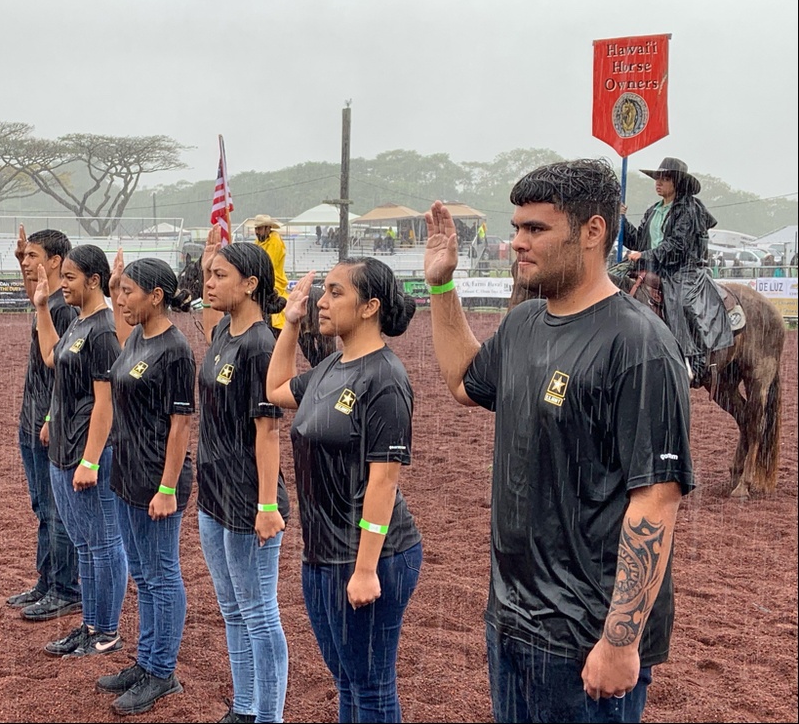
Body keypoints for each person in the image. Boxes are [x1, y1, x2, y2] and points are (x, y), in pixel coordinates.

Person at [425, 159, 695, 724]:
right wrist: (442, 285)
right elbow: (462, 382)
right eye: (517, 227)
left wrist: (620, 642)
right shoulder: (524, 324)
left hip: (584, 640)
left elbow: (656, 500)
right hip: (510, 621)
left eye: (536, 229)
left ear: (593, 232)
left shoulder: (640, 344)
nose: (517, 242)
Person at [266, 260, 423, 723]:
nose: (322, 301)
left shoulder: (386, 378)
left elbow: (384, 479)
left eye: (335, 292)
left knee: (371, 688)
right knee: (346, 679)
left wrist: (366, 569)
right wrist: (290, 324)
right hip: (322, 553)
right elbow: (275, 388)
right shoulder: (331, 365)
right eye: (323, 292)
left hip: (371, 557)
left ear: (370, 306)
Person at [196, 225, 290, 724]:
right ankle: (246, 706)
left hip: (249, 498)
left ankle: (268, 715)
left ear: (251, 283)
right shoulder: (218, 333)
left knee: (259, 612)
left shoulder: (260, 345)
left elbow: (268, 432)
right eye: (206, 274)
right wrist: (215, 249)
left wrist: (267, 504)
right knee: (232, 609)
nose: (209, 283)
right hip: (212, 493)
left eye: (219, 274)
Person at [96, 252, 195, 716]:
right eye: (119, 291)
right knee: (143, 575)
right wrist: (116, 284)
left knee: (161, 575)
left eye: (128, 291)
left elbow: (180, 426)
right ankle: (147, 660)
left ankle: (163, 672)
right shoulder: (136, 334)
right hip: (127, 473)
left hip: (158, 478)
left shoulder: (175, 349)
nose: (120, 298)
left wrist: (169, 488)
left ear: (156, 296)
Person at [33, 244, 127, 659]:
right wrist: (40, 308)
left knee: (105, 543)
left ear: (94, 281)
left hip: (91, 455)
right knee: (86, 544)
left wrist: (90, 459)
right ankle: (90, 624)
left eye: (70, 277)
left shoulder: (104, 329)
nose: (63, 284)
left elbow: (106, 403)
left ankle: (106, 631)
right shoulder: (77, 321)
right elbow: (52, 358)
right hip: (65, 450)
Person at [5, 225, 81, 622]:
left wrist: (52, 415)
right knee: (42, 506)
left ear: (55, 261)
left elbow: (64, 371)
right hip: (30, 416)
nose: (27, 262)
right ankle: (47, 580)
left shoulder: (64, 309)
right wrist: (22, 265)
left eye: (33, 256)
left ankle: (66, 588)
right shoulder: (45, 301)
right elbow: (33, 291)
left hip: (49, 420)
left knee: (56, 510)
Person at [621, 157, 733, 386]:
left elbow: (677, 246)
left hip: (683, 269)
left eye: (665, 178)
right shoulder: (654, 210)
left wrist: (644, 256)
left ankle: (693, 359)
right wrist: (620, 219)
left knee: (679, 300)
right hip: (655, 266)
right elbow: (639, 240)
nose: (658, 182)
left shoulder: (690, 209)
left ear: (677, 182)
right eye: (657, 178)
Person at [252, 214, 290, 335]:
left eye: (260, 228)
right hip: (259, 280)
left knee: (271, 305)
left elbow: (268, 267)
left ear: (268, 228)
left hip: (274, 282)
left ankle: (277, 329)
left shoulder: (275, 241)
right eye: (256, 229)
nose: (257, 232)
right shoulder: (257, 242)